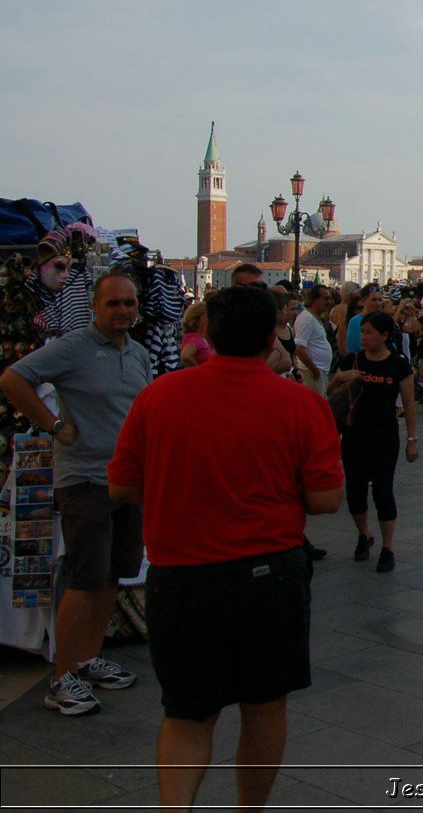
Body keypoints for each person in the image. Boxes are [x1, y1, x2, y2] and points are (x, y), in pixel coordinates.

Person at [105, 284, 342, 809]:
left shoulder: (158, 396)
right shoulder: (301, 405)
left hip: (182, 577)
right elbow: (327, 500)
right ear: (271, 337)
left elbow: (121, 487)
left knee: (187, 714)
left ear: (208, 331)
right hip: (269, 576)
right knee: (263, 705)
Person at [0, 273, 149, 715]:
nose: (123, 311)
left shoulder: (138, 353)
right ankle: (61, 678)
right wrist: (54, 425)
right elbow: (13, 379)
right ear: (94, 306)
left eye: (130, 303)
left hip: (127, 481)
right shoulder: (73, 348)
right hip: (84, 480)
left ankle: (87, 657)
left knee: (112, 575)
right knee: (84, 578)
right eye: (114, 304)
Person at [329, 311, 418, 572]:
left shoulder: (398, 364)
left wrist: (412, 439)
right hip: (354, 433)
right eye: (362, 332)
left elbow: (409, 404)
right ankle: (364, 533)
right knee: (355, 491)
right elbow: (331, 393)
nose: (363, 337)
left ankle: (387, 547)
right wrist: (339, 378)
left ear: (384, 335)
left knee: (383, 491)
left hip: (384, 434)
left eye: (369, 332)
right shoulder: (353, 359)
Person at [293, 285, 335, 395]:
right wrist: (314, 370)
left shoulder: (315, 317)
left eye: (330, 298)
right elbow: (299, 348)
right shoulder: (306, 318)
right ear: (315, 299)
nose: (329, 302)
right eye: (325, 298)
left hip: (320, 371)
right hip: (312, 373)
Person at [179, 301, 213, 368]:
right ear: (197, 320)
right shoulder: (194, 338)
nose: (210, 319)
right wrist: (198, 371)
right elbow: (185, 356)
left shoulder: (202, 337)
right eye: (207, 316)